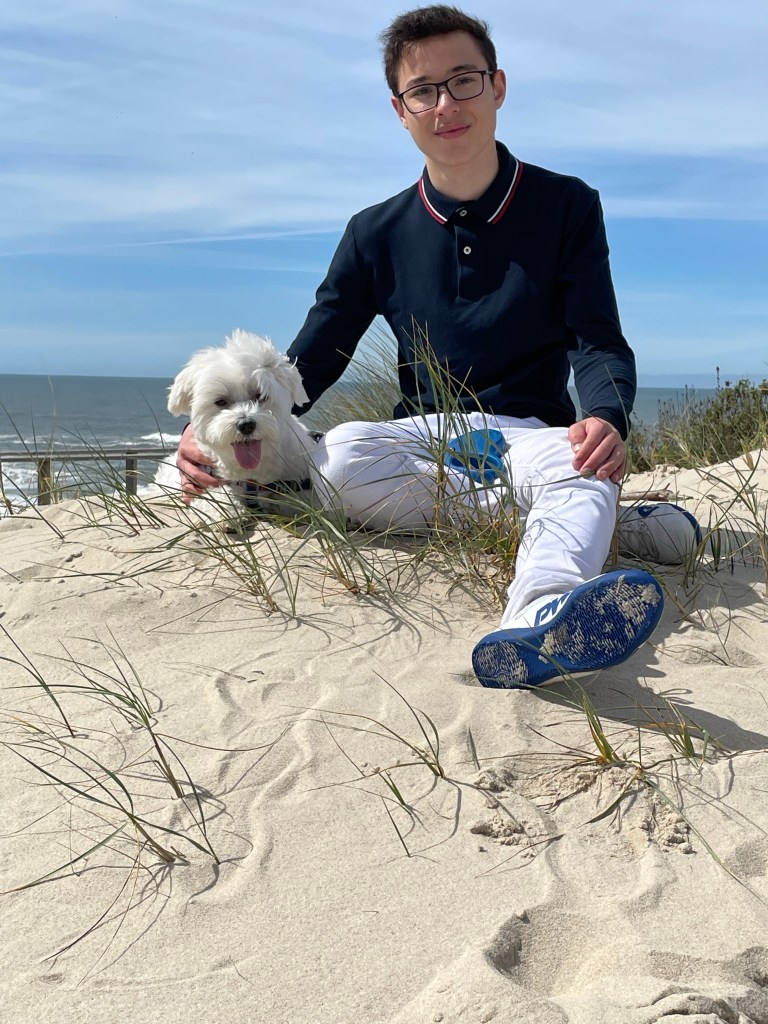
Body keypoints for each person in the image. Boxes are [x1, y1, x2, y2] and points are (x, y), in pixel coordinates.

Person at [178, 4, 698, 688]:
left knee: (580, 463)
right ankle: (604, 525)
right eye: (422, 91)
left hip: (529, 436)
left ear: (497, 86)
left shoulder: (565, 205)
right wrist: (211, 433)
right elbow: (312, 360)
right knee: (340, 457)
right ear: (401, 110)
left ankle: (539, 614)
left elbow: (595, 339)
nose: (445, 104)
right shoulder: (374, 232)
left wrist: (604, 417)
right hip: (420, 447)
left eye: (464, 81)